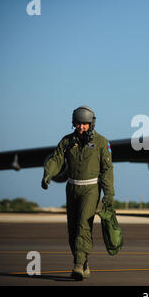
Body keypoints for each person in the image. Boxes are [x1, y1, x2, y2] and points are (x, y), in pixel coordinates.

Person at [41, 106, 115, 280]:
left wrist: (109, 194)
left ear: (91, 123)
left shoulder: (102, 143)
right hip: (72, 187)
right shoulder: (67, 141)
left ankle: (79, 265)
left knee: (83, 224)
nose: (81, 127)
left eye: (84, 124)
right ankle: (83, 261)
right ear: (73, 123)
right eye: (77, 124)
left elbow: (107, 170)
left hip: (91, 189)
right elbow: (56, 159)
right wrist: (48, 174)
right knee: (72, 228)